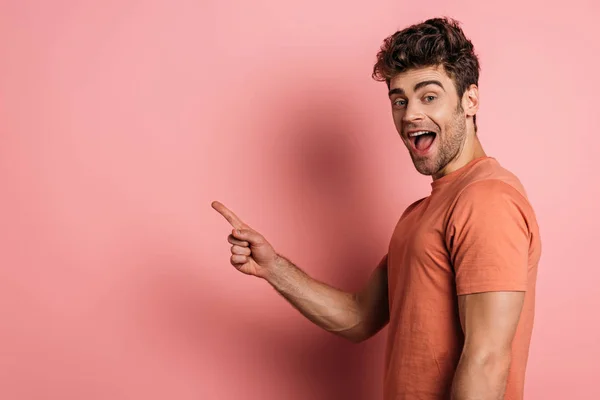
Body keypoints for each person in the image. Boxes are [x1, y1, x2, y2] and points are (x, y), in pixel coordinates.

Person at [212, 17, 541, 400]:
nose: (410, 114)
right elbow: (358, 317)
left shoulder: (486, 200)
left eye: (428, 96)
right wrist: (273, 267)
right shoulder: (422, 213)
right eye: (399, 100)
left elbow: (487, 360)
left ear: (470, 99)